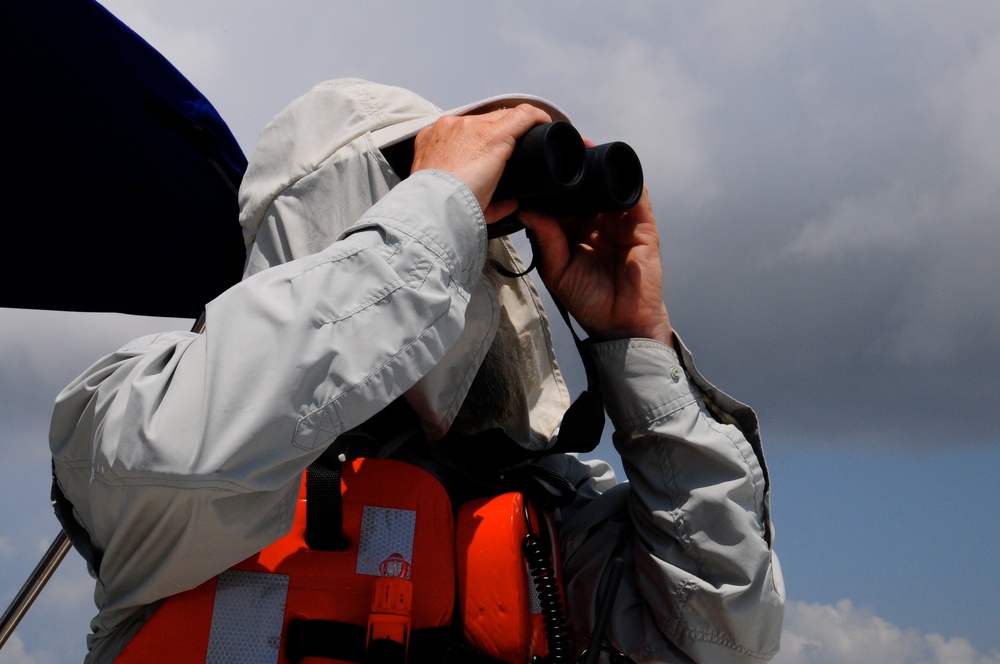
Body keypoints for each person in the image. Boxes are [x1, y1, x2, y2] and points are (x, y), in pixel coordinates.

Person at [49, 78, 784, 663]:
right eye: (425, 186)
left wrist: (637, 342)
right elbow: (187, 459)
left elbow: (724, 634)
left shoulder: (545, 505)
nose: (463, 232)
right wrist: (430, 219)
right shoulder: (136, 403)